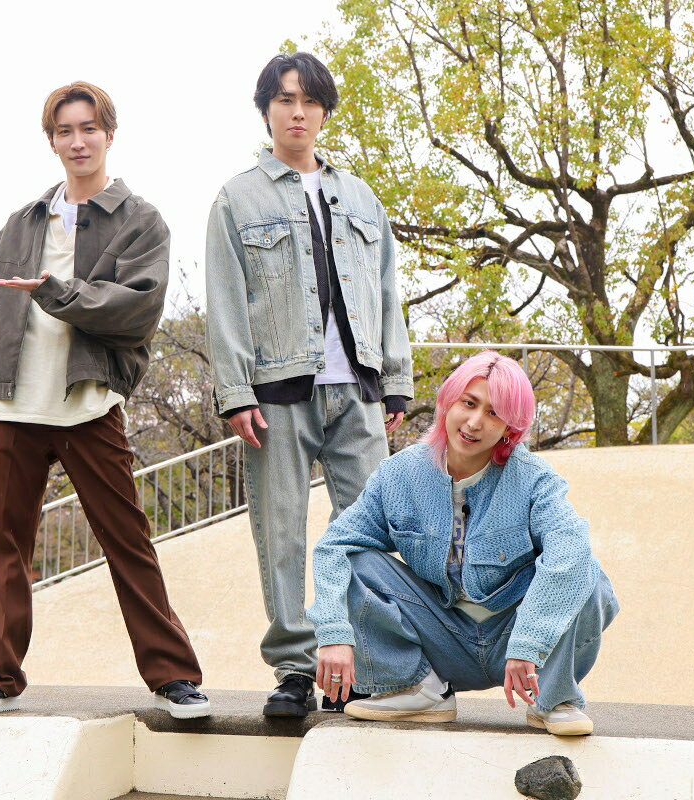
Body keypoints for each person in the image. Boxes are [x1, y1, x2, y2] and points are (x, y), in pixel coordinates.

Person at [0, 81, 209, 720]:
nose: (78, 141)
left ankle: (174, 677)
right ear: (52, 141)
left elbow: (137, 309)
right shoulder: (24, 220)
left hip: (87, 403)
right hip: (15, 405)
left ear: (109, 134)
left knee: (128, 544)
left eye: (89, 128)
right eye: (65, 131)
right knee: (7, 549)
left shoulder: (140, 220)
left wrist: (56, 291)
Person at [205, 52, 414, 717]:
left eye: (310, 101)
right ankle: (296, 669)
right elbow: (225, 301)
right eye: (285, 100)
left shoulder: (362, 197)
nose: (298, 112)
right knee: (282, 533)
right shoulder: (237, 198)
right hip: (277, 390)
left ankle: (360, 666)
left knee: (370, 530)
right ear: (266, 110)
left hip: (358, 387)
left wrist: (396, 380)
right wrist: (236, 392)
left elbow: (387, 290)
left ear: (324, 112)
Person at [308, 352, 618, 735]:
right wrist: (333, 632)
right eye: (468, 403)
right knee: (356, 561)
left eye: (494, 413)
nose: (474, 422)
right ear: (447, 402)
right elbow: (334, 546)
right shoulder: (399, 475)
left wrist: (529, 642)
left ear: (509, 428)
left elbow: (569, 549)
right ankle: (419, 688)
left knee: (587, 573)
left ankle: (554, 699)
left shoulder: (533, 479)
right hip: (440, 636)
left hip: (518, 647)